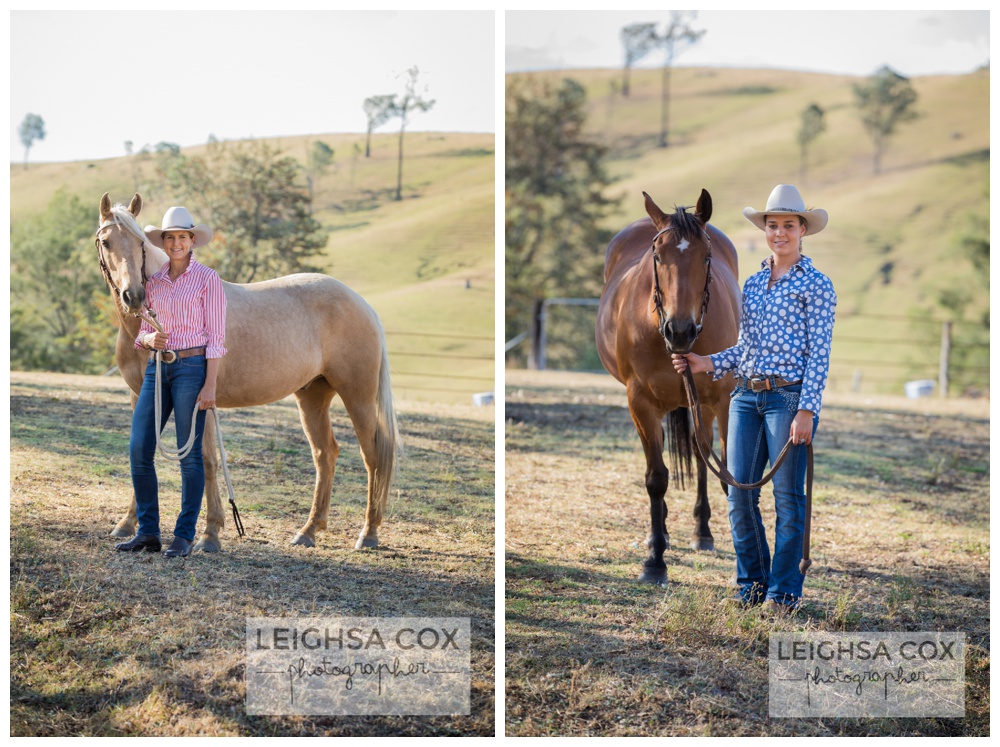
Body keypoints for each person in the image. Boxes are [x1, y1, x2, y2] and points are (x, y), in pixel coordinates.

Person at [672, 184, 836, 617]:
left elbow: (820, 353)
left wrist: (807, 409)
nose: (779, 233)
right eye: (773, 225)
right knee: (738, 494)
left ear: (803, 230)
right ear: (765, 230)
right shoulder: (754, 283)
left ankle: (782, 594)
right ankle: (751, 585)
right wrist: (705, 362)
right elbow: (746, 347)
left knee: (788, 498)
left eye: (788, 225)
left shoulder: (818, 286)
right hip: (745, 395)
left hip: (788, 399)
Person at [115, 206, 227, 558]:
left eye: (182, 236)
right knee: (138, 448)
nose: (176, 243)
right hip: (157, 369)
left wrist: (210, 386)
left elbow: (217, 338)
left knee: (189, 456)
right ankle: (148, 532)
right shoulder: (155, 282)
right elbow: (143, 333)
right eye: (170, 237)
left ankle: (184, 535)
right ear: (163, 242)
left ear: (192, 240)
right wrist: (149, 341)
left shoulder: (208, 280)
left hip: (192, 368)